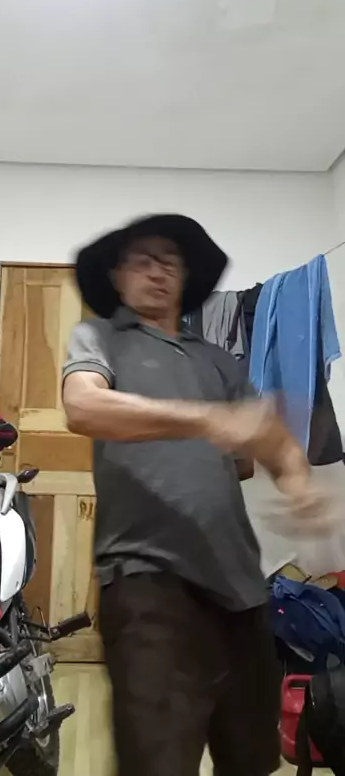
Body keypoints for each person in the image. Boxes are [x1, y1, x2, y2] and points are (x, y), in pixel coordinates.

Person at [62, 214, 328, 776]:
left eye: (171, 261)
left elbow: (264, 442)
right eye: (143, 259)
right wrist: (203, 419)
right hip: (147, 584)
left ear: (186, 276)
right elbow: (83, 406)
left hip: (241, 588)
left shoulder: (219, 362)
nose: (158, 271)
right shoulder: (99, 338)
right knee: (158, 762)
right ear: (117, 275)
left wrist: (299, 482)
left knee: (252, 759)